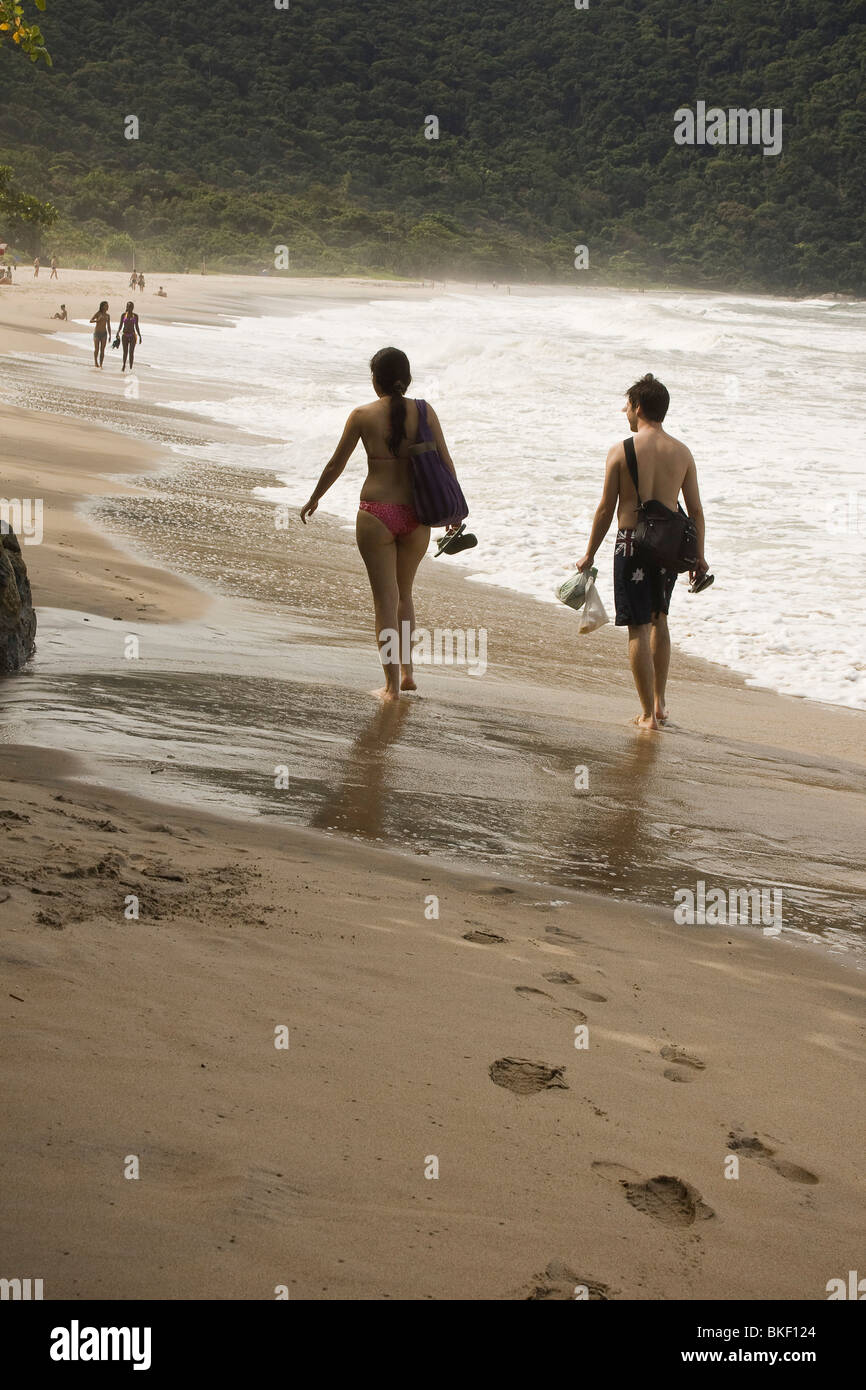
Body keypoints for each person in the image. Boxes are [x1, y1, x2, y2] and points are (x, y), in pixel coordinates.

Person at [300, 347, 461, 701]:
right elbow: (447, 464)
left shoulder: (361, 415)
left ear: (375, 381)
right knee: (405, 595)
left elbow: (335, 465)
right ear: (407, 379)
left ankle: (390, 688)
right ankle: (408, 673)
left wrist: (315, 497)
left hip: (376, 514)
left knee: (384, 602)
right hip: (418, 516)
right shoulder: (425, 412)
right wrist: (455, 514)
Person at [576, 374, 708, 731]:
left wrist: (589, 553)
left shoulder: (621, 450)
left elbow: (606, 508)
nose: (625, 412)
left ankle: (647, 715)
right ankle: (661, 704)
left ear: (638, 407)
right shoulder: (682, 452)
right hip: (667, 548)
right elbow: (695, 511)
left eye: (628, 405)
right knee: (659, 619)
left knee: (637, 628)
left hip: (631, 544)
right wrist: (699, 554)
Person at [117, 301, 142, 371]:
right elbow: (121, 325)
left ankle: (131, 367)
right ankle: (124, 365)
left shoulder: (135, 316)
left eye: (130, 306)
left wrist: (140, 336)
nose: (129, 307)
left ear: (133, 307)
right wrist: (117, 332)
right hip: (124, 335)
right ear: (126, 307)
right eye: (128, 306)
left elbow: (137, 326)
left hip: (132, 336)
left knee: (131, 352)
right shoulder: (123, 315)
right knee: (125, 352)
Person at [90, 301, 111, 368]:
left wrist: (110, 335)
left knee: (102, 350)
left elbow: (108, 326)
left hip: (104, 334)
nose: (107, 307)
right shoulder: (98, 313)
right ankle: (96, 362)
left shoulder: (108, 315)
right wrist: (97, 320)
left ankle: (101, 364)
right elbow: (90, 320)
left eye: (107, 305)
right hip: (97, 333)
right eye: (106, 305)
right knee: (97, 349)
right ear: (102, 306)